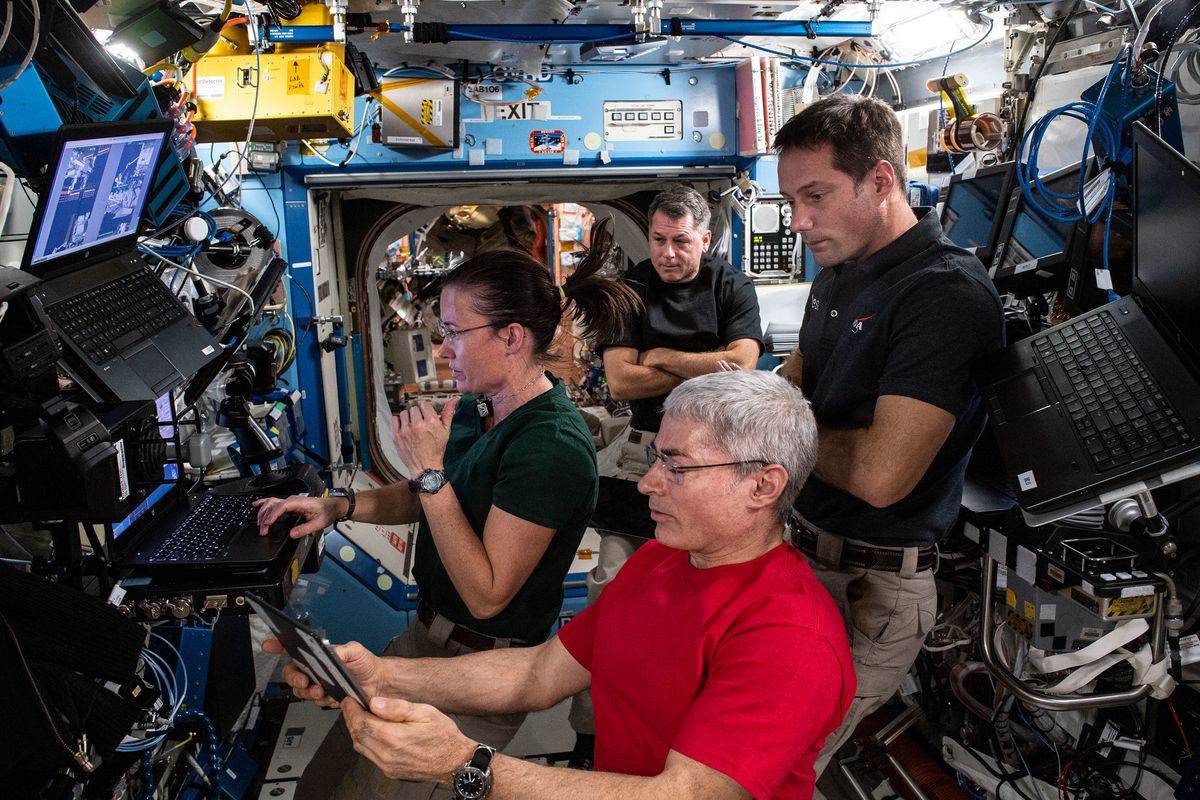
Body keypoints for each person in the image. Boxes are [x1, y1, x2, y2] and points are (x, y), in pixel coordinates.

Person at [267, 370, 855, 800]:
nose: (647, 483)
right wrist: (375, 673)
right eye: (655, 459)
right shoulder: (659, 564)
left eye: (676, 467)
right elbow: (538, 672)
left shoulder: (790, 636)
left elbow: (685, 793)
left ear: (763, 485)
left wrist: (464, 764)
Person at [254, 218, 641, 800]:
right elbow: (428, 498)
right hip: (422, 643)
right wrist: (337, 506)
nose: (442, 349)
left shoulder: (551, 447)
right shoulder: (477, 406)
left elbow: (487, 591)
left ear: (511, 337)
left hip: (481, 671)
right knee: (324, 784)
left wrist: (431, 474)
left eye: (456, 332)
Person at [773, 94, 1005, 774]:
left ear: (880, 180)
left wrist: (774, 424)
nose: (800, 221)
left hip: (871, 589)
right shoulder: (839, 271)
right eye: (790, 201)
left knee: (772, 772)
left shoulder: (944, 295)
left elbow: (880, 475)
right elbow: (797, 374)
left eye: (815, 196)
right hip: (804, 555)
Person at [569, 186, 764, 752]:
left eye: (681, 241)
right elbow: (624, 382)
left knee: (706, 594)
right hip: (645, 451)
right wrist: (708, 367)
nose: (668, 253)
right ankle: (592, 731)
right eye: (659, 239)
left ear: (706, 238)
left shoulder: (731, 284)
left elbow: (746, 366)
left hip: (716, 458)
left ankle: (693, 730)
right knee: (611, 590)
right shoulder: (632, 287)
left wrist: (663, 357)